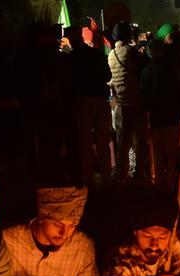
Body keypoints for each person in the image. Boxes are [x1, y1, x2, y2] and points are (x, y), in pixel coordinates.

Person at [70, 27, 113, 185]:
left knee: (85, 142)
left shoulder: (71, 58)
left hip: (81, 102)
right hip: (100, 100)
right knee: (103, 138)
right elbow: (108, 75)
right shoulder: (96, 54)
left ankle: (88, 178)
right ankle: (107, 176)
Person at [141, 39, 180, 190]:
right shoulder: (172, 69)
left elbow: (144, 98)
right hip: (172, 118)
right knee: (172, 154)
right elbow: (179, 92)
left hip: (156, 118)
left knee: (158, 154)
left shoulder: (146, 72)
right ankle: (171, 184)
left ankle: (159, 183)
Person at [109, 22, 151, 182]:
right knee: (139, 141)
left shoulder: (111, 54)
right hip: (135, 102)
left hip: (120, 103)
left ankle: (121, 173)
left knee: (123, 143)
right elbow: (145, 67)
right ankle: (139, 173)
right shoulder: (131, 52)